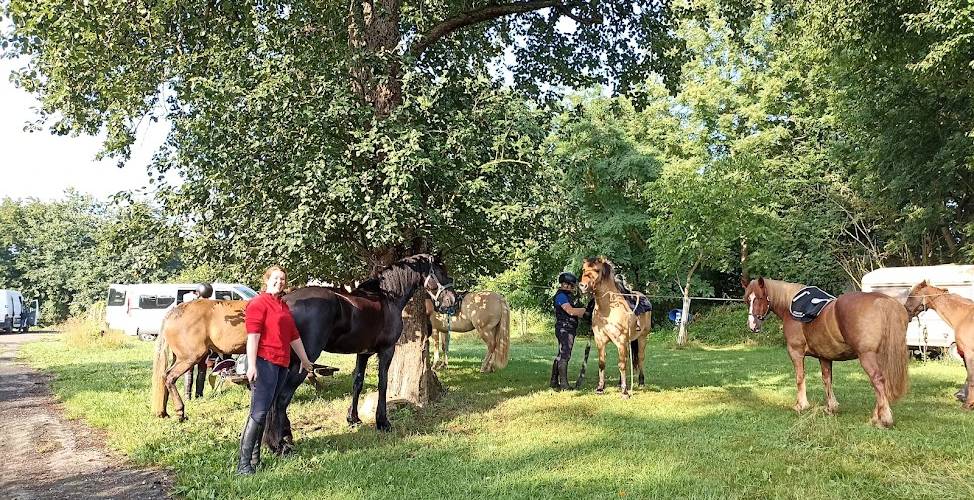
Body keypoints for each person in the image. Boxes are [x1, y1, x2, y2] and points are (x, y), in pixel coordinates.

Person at [237, 266, 314, 475]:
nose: (279, 282)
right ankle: (243, 465)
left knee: (267, 409)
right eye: (275, 278)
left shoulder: (282, 305)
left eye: (282, 279)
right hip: (264, 362)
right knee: (259, 412)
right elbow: (253, 336)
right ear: (267, 280)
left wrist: (306, 361)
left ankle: (255, 458)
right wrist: (251, 365)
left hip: (281, 364)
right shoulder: (258, 303)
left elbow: (293, 336)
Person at [550, 272, 589, 390]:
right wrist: (587, 311)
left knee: (561, 354)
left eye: (570, 285)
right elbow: (570, 311)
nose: (568, 287)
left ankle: (553, 381)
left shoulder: (566, 296)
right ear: (562, 284)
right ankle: (564, 385)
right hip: (565, 328)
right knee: (565, 355)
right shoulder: (561, 296)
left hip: (567, 327)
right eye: (566, 284)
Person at [184, 283, 215, 400]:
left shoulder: (191, 306)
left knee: (189, 368)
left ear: (198, 293)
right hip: (205, 341)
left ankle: (187, 396)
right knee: (202, 368)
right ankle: (199, 395)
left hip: (192, 339)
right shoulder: (213, 306)